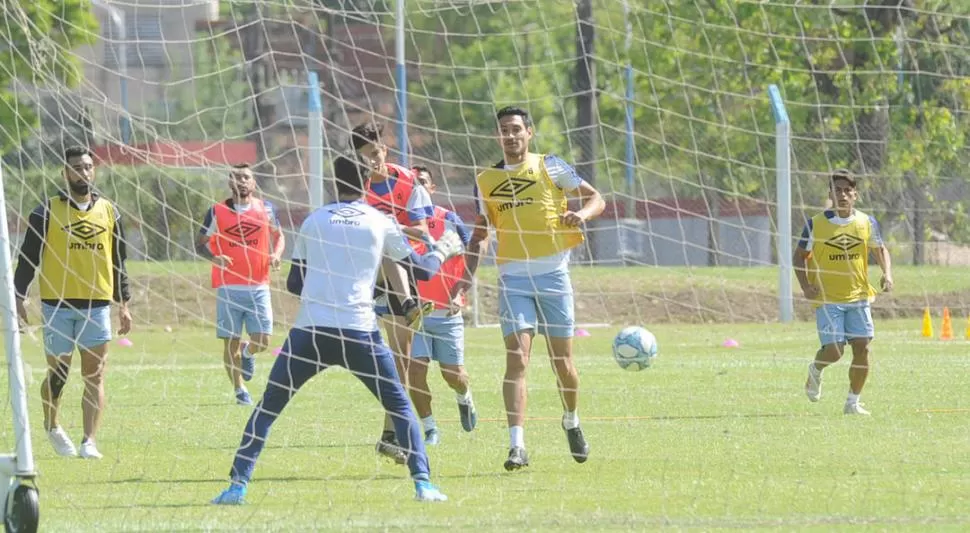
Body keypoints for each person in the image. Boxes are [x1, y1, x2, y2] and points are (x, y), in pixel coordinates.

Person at [210, 155, 462, 505]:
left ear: (333, 183)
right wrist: (443, 248)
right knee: (401, 407)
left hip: (310, 333)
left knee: (268, 407)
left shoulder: (314, 221)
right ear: (365, 185)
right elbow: (420, 271)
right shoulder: (380, 220)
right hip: (359, 333)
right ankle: (423, 484)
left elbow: (296, 283)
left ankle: (237, 486)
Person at [463, 106, 605, 471]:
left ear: (530, 132)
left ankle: (571, 419)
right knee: (517, 358)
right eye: (503, 131)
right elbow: (481, 233)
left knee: (563, 364)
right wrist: (463, 279)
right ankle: (517, 446)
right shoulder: (485, 180)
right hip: (512, 277)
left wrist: (581, 215)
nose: (510, 136)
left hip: (554, 276)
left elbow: (596, 198)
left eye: (515, 129)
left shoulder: (550, 165)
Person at [13, 145, 133, 460]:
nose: (83, 172)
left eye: (88, 166)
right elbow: (28, 257)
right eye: (77, 167)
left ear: (95, 171)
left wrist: (124, 303)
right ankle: (51, 424)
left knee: (94, 375)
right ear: (65, 173)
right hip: (57, 305)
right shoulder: (46, 210)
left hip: (97, 305)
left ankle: (89, 441)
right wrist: (18, 294)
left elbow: (119, 260)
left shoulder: (110, 210)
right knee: (60, 374)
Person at [351, 121, 436, 462]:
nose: (374, 160)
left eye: (377, 152)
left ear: (384, 148)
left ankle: (391, 435)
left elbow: (422, 231)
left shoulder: (406, 181)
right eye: (366, 156)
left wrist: (389, 226)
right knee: (391, 360)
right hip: (364, 276)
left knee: (399, 360)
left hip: (402, 270)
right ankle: (393, 434)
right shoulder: (353, 183)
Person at [796, 169, 893, 416]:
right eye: (837, 190)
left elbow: (880, 249)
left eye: (847, 191)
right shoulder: (815, 224)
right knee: (835, 351)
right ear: (830, 194)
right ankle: (815, 370)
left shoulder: (866, 222)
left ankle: (852, 403)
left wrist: (887, 273)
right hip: (828, 299)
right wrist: (806, 286)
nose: (843, 195)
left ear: (855, 195)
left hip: (859, 296)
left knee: (862, 348)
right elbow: (799, 257)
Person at [196, 164, 285, 406]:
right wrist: (215, 258)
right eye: (236, 177)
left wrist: (276, 255)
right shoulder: (216, 211)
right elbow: (200, 243)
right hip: (228, 288)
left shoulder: (266, 209)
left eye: (246, 177)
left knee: (263, 340)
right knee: (230, 341)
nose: (241, 181)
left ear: (253, 183)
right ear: (229, 182)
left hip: (259, 286)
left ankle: (248, 353)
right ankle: (240, 390)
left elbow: (279, 236)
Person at [406, 166, 477, 445]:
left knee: (453, 375)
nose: (418, 188)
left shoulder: (450, 220)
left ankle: (464, 396)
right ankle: (430, 427)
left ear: (432, 189)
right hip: (415, 314)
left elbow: (474, 251)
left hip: (447, 311)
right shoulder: (400, 224)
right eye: (413, 184)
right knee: (416, 372)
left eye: (423, 183)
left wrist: (463, 288)